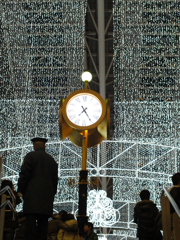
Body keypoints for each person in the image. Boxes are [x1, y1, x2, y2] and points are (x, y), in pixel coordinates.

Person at [17, 137, 58, 240]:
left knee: (30, 229)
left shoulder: (30, 156)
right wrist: (52, 194)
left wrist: (20, 190)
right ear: (45, 146)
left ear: (34, 146)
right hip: (46, 200)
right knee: (43, 230)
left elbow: (24, 175)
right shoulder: (52, 160)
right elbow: (55, 181)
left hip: (32, 198)